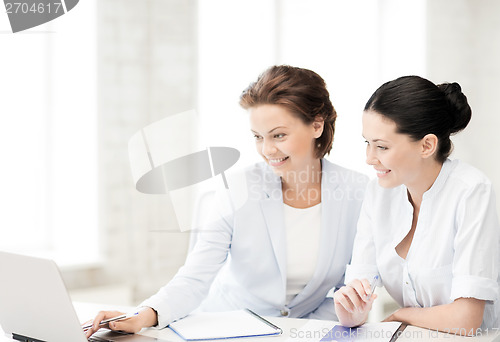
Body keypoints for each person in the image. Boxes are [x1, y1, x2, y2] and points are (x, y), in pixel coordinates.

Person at [85, 65, 368, 337]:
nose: (267, 150)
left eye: (279, 135)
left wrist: (304, 331)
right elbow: (196, 277)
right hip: (226, 329)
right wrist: (143, 314)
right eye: (258, 137)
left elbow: (352, 289)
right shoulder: (238, 189)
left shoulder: (357, 192)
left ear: (317, 125)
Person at [333, 75, 500, 334]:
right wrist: (351, 312)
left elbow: (467, 318)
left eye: (382, 146)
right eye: (367, 143)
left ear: (427, 145)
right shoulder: (378, 193)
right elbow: (357, 294)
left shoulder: (471, 191)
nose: (369, 158)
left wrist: (402, 315)